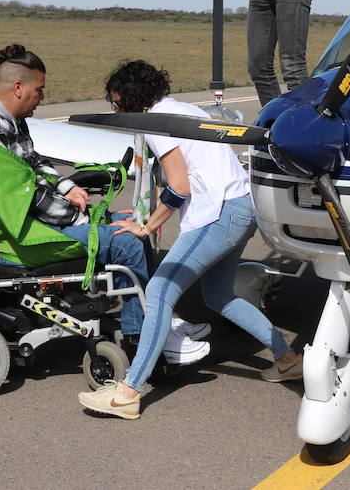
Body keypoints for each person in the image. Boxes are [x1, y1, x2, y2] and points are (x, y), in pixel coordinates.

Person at [0, 45, 209, 363]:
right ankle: (141, 338)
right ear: (18, 88)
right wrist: (80, 218)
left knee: (131, 225)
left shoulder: (3, 117)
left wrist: (67, 185)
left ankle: (156, 317)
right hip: (19, 238)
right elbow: (18, 196)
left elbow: (31, 161)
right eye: (39, 90)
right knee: (127, 240)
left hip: (30, 224)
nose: (42, 97)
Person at [78, 60, 302, 421]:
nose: (115, 110)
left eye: (117, 103)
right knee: (218, 296)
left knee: (160, 293)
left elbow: (179, 187)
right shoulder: (180, 108)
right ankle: (287, 359)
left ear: (132, 99)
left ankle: (129, 393)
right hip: (241, 207)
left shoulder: (157, 124)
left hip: (219, 214)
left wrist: (147, 227)